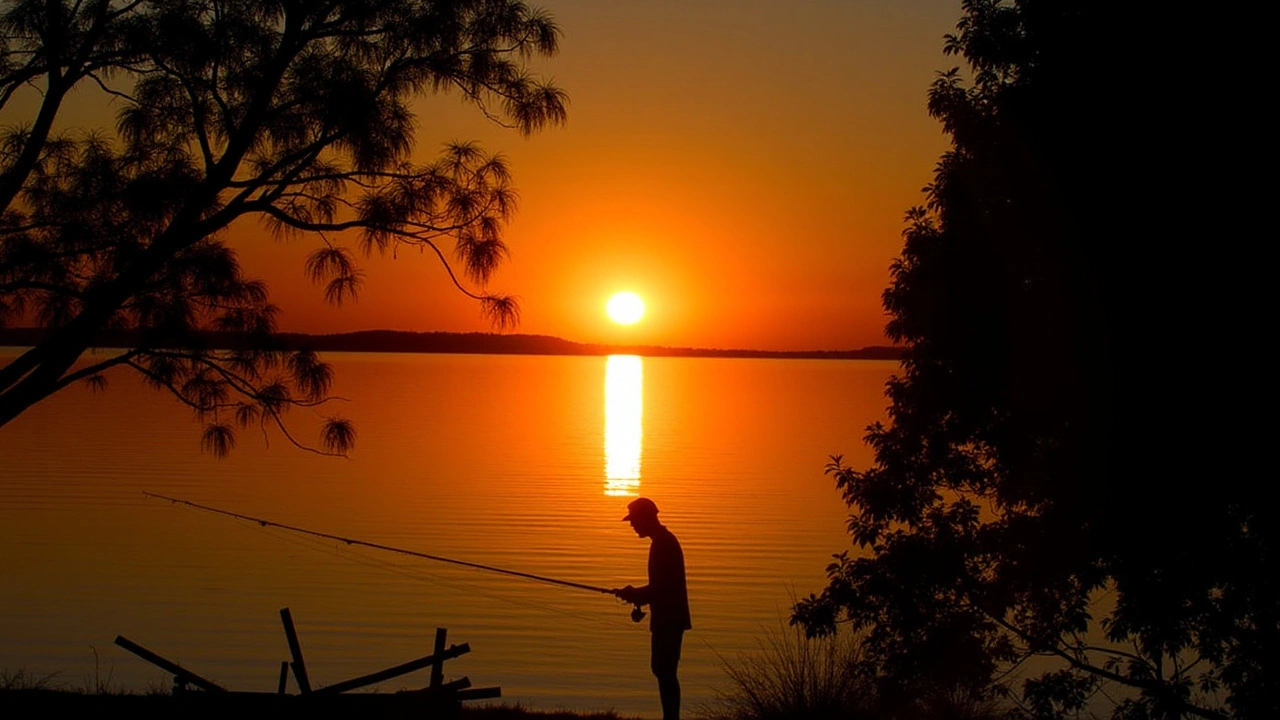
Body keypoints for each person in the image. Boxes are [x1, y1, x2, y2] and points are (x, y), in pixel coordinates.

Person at [613, 497, 691, 720]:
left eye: (634, 520)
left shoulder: (664, 545)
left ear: (646, 518)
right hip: (668, 617)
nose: (632, 525)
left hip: (669, 619)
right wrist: (636, 595)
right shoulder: (662, 542)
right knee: (662, 670)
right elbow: (659, 588)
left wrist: (635, 594)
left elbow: (662, 588)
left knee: (664, 671)